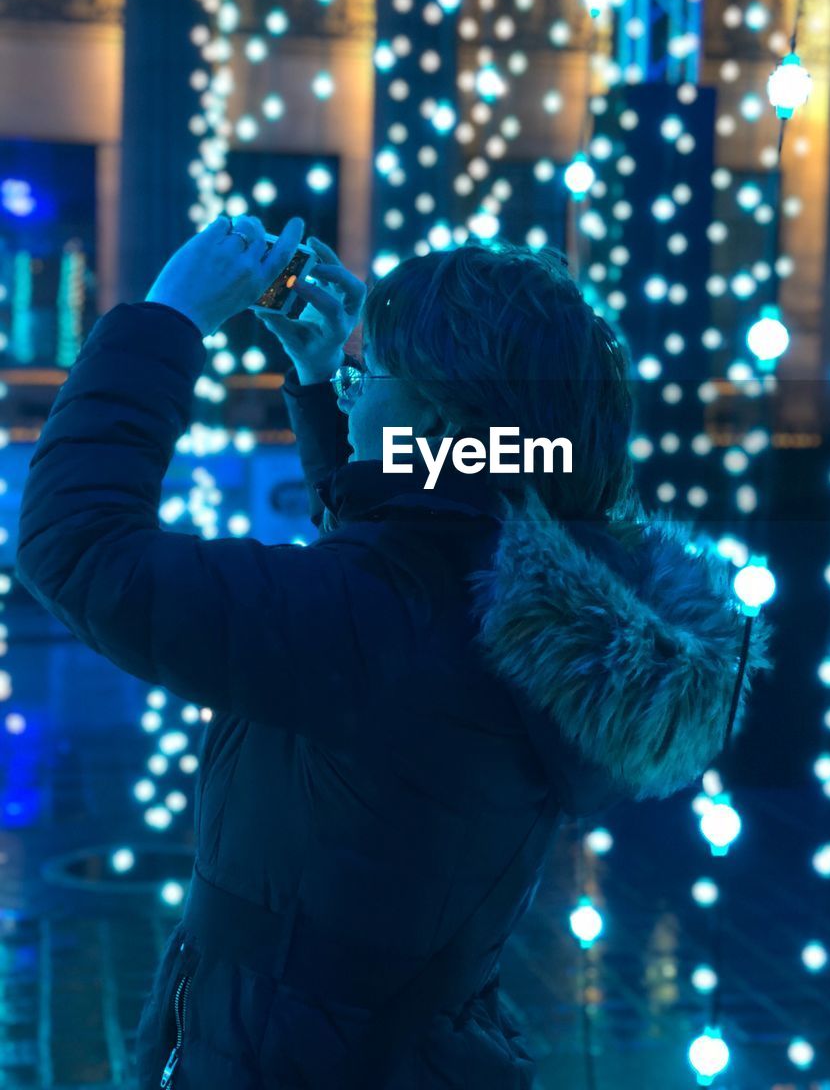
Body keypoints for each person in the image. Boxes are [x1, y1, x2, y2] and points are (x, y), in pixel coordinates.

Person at [15, 214, 772, 1088]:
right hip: (406, 1044)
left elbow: (77, 546)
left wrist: (166, 320)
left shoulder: (381, 616)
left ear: (447, 415)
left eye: (371, 372)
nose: (350, 390)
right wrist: (315, 378)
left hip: (288, 1057)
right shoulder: (537, 586)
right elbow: (416, 555)